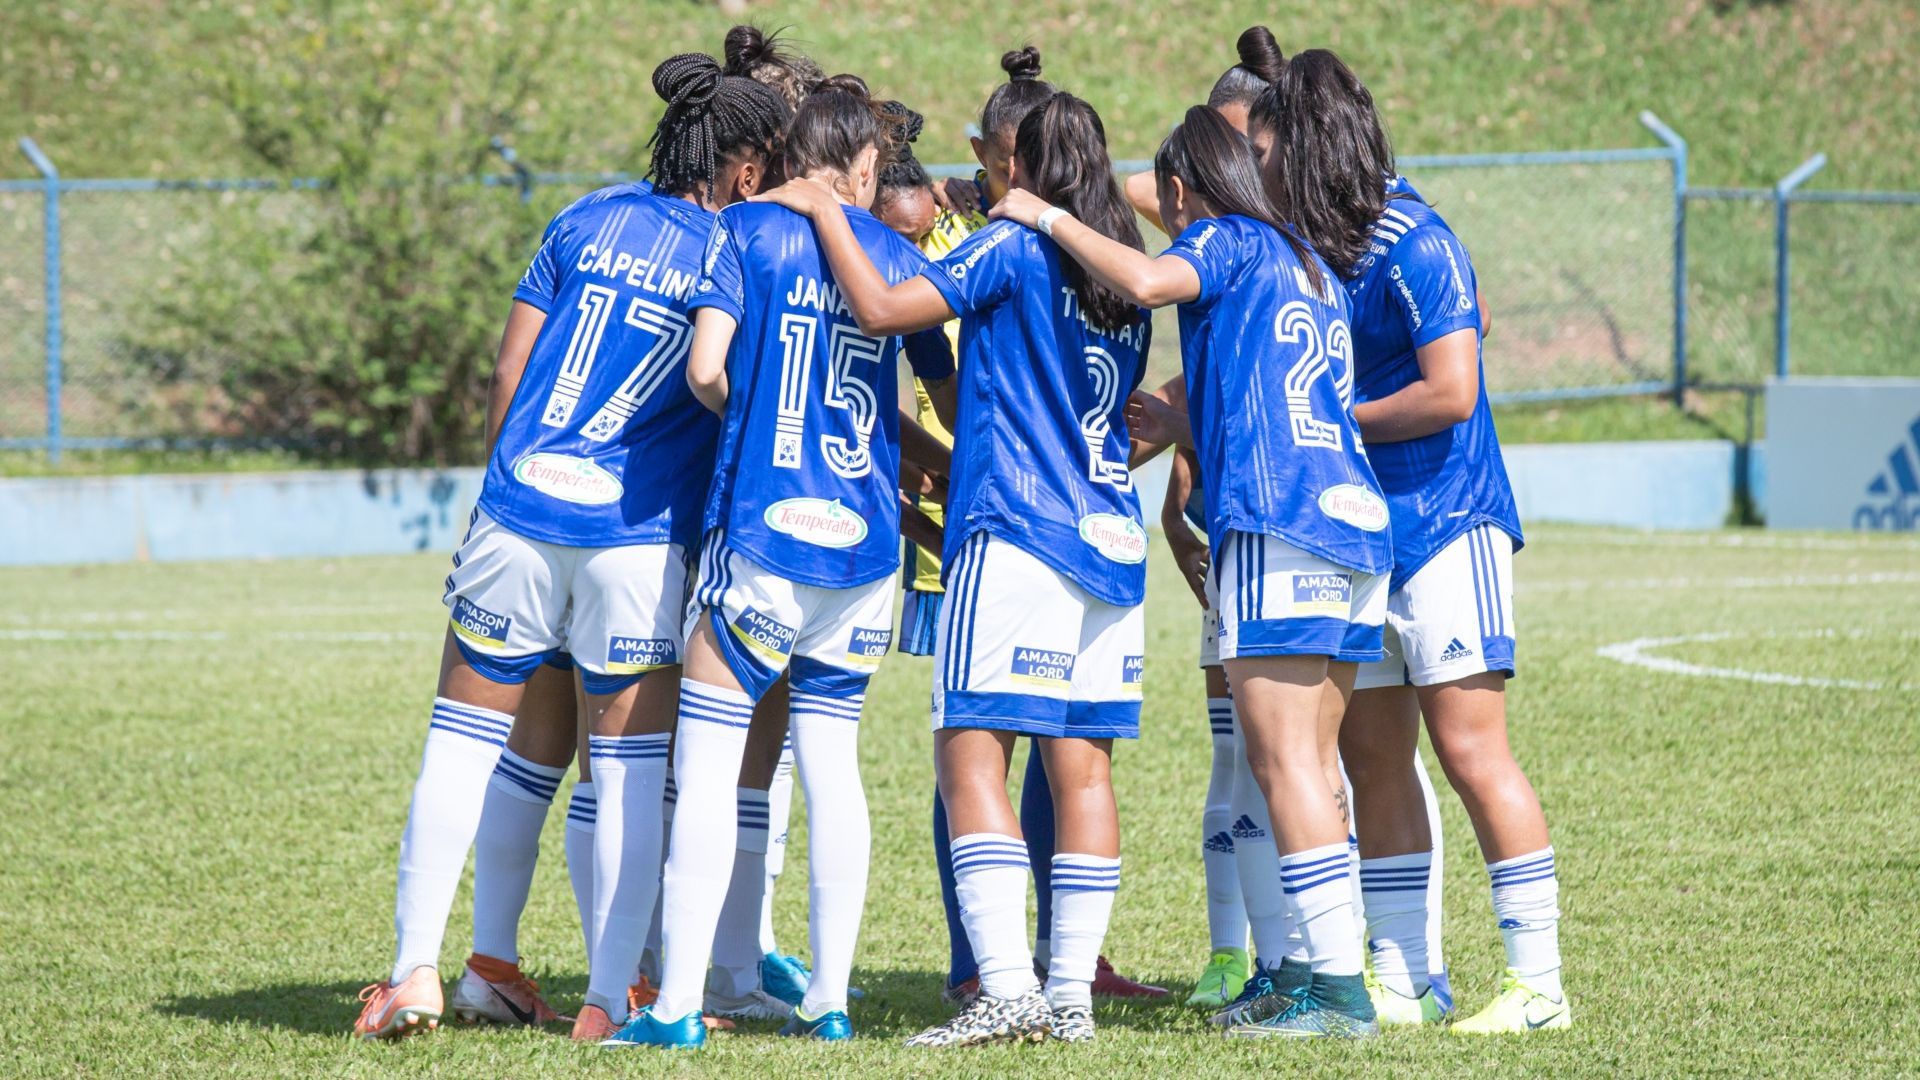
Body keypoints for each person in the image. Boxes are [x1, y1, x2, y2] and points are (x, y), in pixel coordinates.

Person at [353, 54, 790, 1043]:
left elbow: (509, 372)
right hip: (635, 539)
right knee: (630, 768)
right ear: (749, 169)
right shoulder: (735, 252)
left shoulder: (582, 218)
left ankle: (415, 973)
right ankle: (608, 1001)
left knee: (461, 746)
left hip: (518, 507)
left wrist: (493, 508)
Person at [761, 90, 1155, 1048]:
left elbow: (886, 305)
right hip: (1110, 541)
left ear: (1018, 167)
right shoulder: (1121, 275)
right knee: (1084, 773)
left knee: (970, 754)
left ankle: (1006, 988)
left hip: (1015, 532)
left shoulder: (1012, 245)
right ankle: (1067, 997)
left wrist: (823, 209)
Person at [995, 103, 1394, 1039]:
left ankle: (1337, 990)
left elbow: (1139, 278)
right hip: (1354, 521)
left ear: (1182, 192)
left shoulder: (1224, 237)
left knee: (1283, 761)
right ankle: (1306, 967)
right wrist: (1184, 424)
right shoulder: (1307, 260)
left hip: (1278, 521)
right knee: (1316, 763)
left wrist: (1041, 212)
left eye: (1170, 201)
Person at [604, 75, 947, 1050]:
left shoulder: (743, 233)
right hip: (865, 546)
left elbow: (707, 369)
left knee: (711, 766)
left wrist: (750, 417)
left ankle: (676, 1007)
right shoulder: (890, 250)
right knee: (832, 760)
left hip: (762, 534)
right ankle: (830, 998)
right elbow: (931, 382)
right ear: (868, 168)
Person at [1258, 50, 1569, 1034]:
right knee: (1376, 757)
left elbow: (1452, 391)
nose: (1263, 172)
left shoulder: (1418, 242)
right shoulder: (1316, 246)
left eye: (1272, 154)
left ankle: (1538, 985)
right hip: (1359, 534)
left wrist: (1333, 414)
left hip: (1447, 523)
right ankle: (1407, 974)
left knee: (1475, 752)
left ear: (1315, 149)